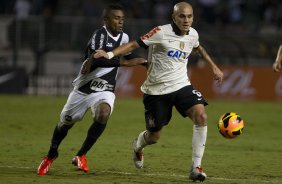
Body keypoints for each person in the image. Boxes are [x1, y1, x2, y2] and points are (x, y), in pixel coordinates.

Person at [94, 2, 224, 182]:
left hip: (181, 85)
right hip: (156, 91)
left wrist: (214, 67)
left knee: (201, 116)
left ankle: (196, 167)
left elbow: (198, 48)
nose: (186, 20)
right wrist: (109, 55)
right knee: (154, 136)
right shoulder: (160, 32)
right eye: (182, 16)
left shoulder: (193, 34)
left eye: (189, 16)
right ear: (174, 17)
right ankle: (138, 146)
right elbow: (133, 45)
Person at [37, 4, 146, 176]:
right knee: (65, 124)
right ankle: (51, 155)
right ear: (106, 20)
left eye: (122, 19)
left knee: (103, 114)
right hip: (83, 88)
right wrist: (124, 63)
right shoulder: (99, 36)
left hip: (105, 88)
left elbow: (128, 55)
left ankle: (81, 155)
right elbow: (95, 61)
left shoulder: (124, 37)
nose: (121, 22)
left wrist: (143, 62)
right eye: (117, 18)